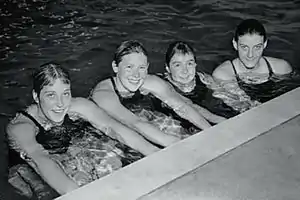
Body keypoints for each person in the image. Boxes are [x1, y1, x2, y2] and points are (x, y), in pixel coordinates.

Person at [7, 62, 159, 198]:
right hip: (26, 167)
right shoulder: (20, 127)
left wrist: (154, 153)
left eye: (65, 93)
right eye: (51, 95)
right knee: (43, 193)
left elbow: (113, 127)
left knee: (113, 158)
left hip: (66, 151)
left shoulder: (79, 106)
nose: (60, 103)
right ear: (36, 96)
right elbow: (40, 159)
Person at [91, 40, 212, 143]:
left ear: (147, 67)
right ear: (115, 67)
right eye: (129, 67)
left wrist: (211, 131)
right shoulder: (103, 94)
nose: (136, 75)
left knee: (176, 127)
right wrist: (177, 144)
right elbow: (135, 123)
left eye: (141, 68)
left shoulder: (151, 81)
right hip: (102, 136)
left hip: (140, 119)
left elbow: (182, 107)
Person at [212, 18, 293, 103]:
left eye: (257, 47)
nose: (250, 55)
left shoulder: (281, 68)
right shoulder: (223, 75)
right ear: (235, 44)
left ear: (265, 44)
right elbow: (241, 105)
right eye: (244, 47)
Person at [162, 41, 240, 120]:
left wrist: (242, 105)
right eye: (177, 65)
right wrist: (218, 120)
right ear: (168, 68)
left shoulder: (204, 79)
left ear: (195, 65)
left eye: (189, 64)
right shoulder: (162, 85)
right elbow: (188, 106)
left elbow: (226, 96)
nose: (185, 71)